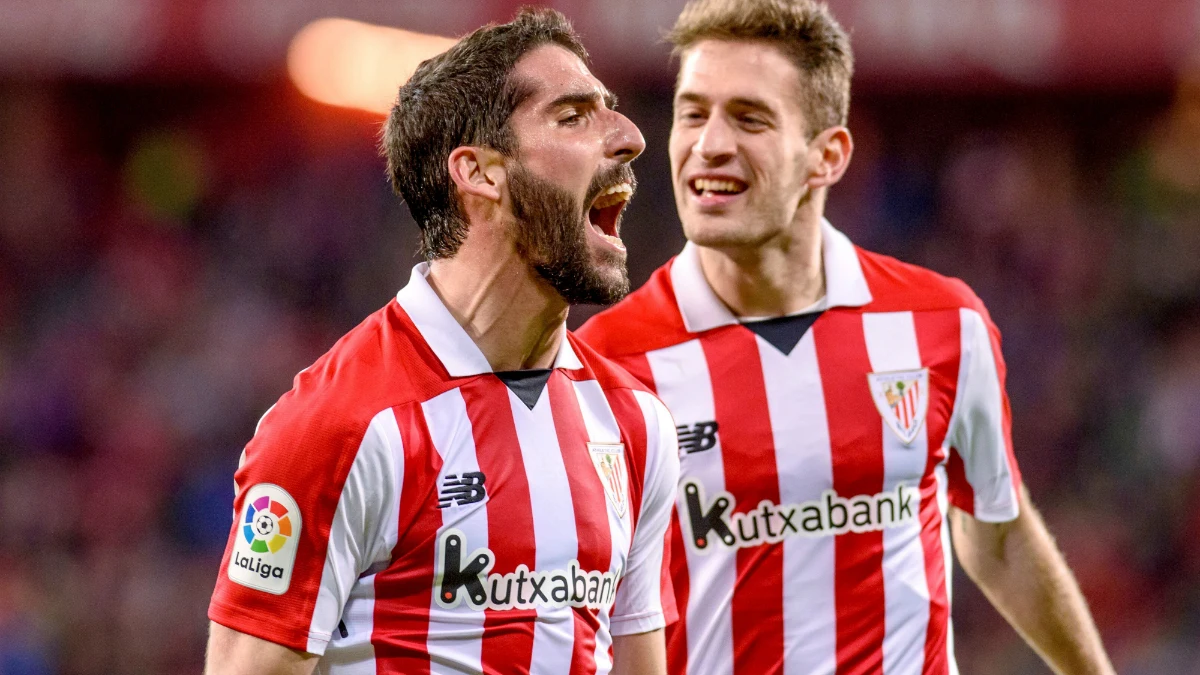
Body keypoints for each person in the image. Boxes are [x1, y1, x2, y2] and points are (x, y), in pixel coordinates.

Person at [577, 0, 1115, 673]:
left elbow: (998, 534)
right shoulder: (604, 367)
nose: (709, 143)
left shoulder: (943, 323)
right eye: (693, 112)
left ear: (826, 156)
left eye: (749, 117)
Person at [204, 9, 680, 674]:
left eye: (612, 111)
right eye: (572, 116)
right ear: (480, 173)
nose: (629, 136)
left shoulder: (636, 426)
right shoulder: (339, 426)